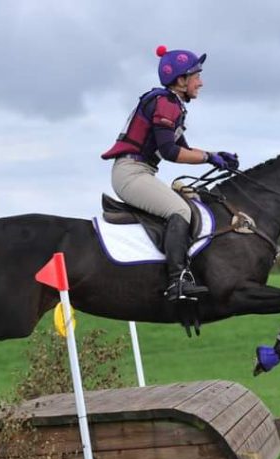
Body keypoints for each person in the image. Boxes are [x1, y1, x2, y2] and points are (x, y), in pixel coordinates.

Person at [102, 45, 239, 302]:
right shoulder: (165, 104)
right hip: (131, 173)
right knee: (180, 211)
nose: (201, 82)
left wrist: (215, 155)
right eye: (196, 76)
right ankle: (177, 280)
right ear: (180, 80)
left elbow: (184, 150)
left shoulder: (170, 103)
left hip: (139, 171)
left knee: (189, 200)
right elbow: (170, 152)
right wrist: (210, 157)